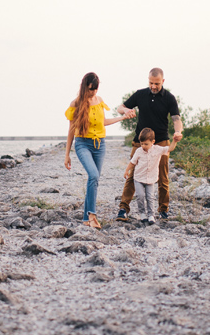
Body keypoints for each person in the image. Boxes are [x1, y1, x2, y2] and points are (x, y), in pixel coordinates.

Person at [64, 72, 133, 229]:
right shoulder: (76, 103)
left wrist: (123, 118)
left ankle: (85, 218)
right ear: (84, 87)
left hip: (99, 145)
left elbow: (103, 122)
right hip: (83, 144)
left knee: (93, 180)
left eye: (96, 89)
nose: (93, 92)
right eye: (90, 89)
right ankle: (92, 215)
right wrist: (67, 154)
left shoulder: (99, 100)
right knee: (93, 175)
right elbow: (70, 130)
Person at [115, 67, 183, 221]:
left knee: (162, 177)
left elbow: (176, 119)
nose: (153, 86)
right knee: (132, 176)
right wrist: (125, 111)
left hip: (161, 142)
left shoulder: (169, 98)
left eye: (157, 83)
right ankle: (123, 209)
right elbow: (121, 107)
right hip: (140, 142)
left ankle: (163, 209)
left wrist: (178, 132)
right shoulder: (140, 94)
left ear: (163, 81)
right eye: (151, 83)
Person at [124, 127, 178, 224]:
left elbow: (170, 148)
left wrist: (175, 141)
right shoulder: (139, 151)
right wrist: (127, 170)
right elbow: (132, 162)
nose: (143, 146)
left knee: (150, 197)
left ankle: (151, 215)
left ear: (153, 141)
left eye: (146, 144)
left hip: (151, 179)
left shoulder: (157, 150)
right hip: (139, 178)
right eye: (142, 144)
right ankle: (142, 213)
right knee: (140, 196)